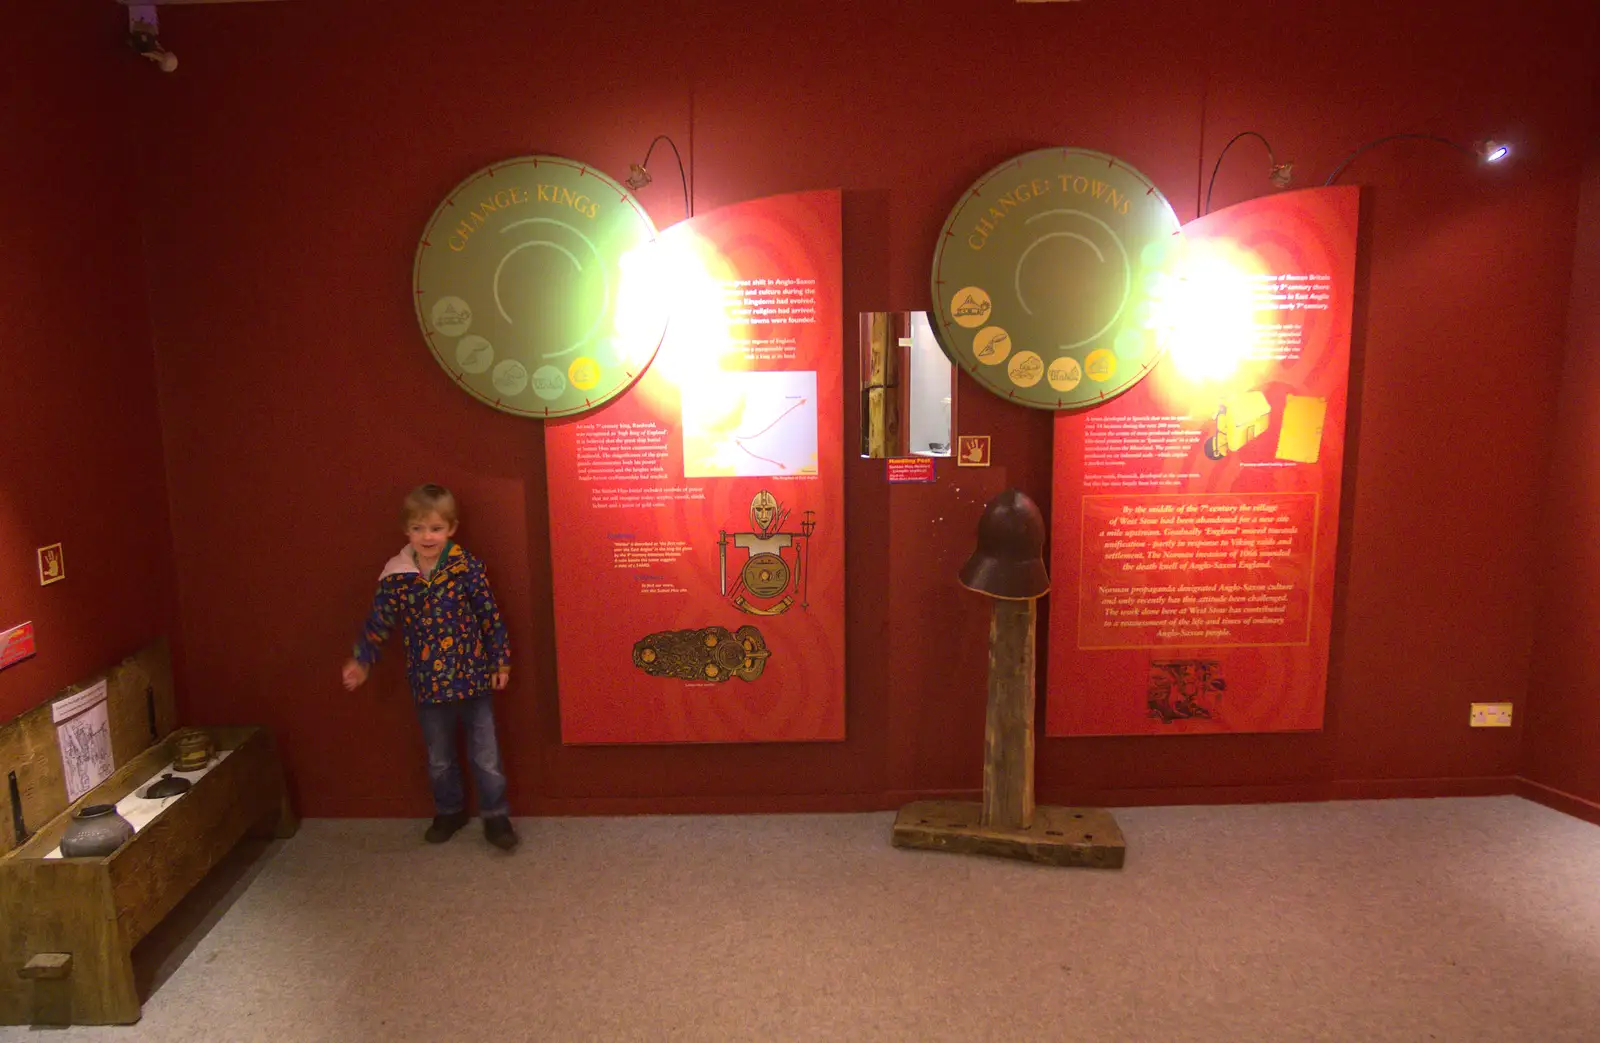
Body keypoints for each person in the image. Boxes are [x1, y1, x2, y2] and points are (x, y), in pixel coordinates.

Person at [341, 483, 518, 851]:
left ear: (451, 528)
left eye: (436, 528)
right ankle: (450, 810)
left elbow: (490, 616)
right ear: (407, 530)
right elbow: (378, 623)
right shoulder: (397, 577)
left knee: (487, 756)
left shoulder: (466, 567)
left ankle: (495, 815)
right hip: (429, 685)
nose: (427, 536)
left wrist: (500, 659)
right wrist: (362, 662)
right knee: (439, 759)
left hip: (474, 680)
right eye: (419, 528)